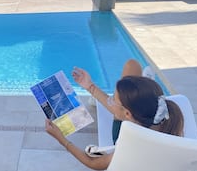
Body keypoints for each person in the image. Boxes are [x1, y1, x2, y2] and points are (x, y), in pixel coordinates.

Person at [45, 59, 184, 170]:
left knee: (129, 73)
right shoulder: (169, 120)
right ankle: (142, 91)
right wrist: (90, 86)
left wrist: (61, 138)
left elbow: (92, 163)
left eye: (113, 100)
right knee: (132, 65)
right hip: (139, 121)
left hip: (128, 134)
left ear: (127, 115)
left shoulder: (129, 147)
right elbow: (120, 110)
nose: (110, 102)